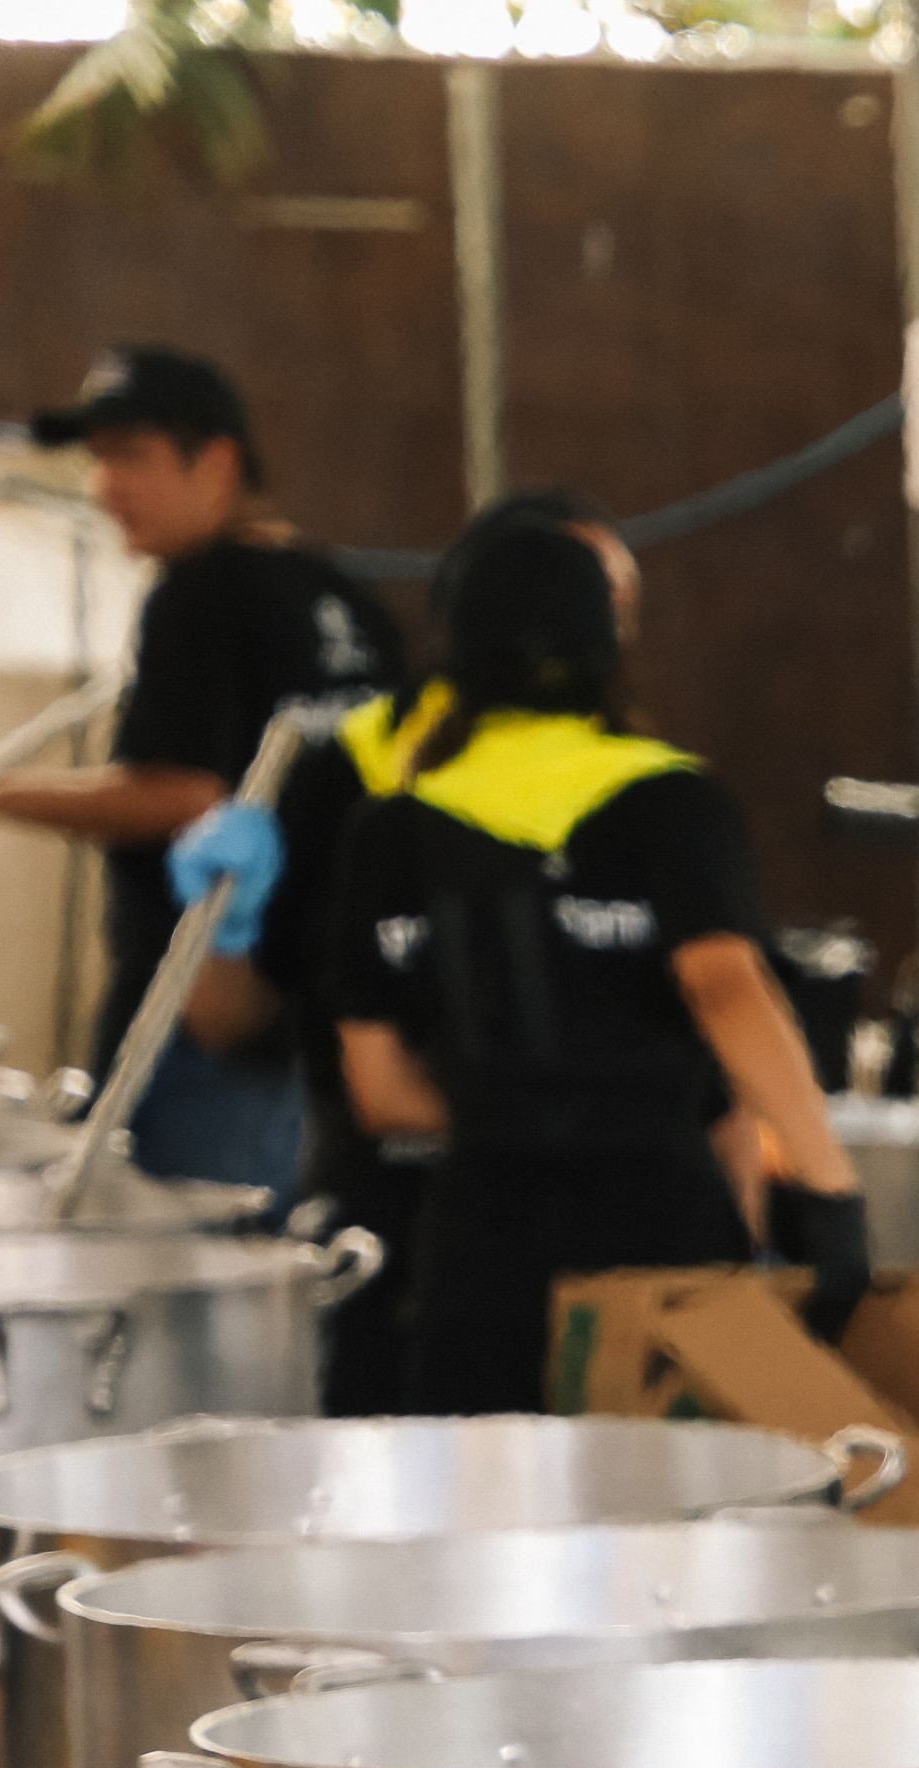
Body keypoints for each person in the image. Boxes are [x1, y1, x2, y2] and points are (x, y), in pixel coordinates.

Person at [327, 521, 863, 1411]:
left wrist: (520, 1114)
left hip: (478, 1245)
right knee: (666, 1521)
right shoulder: (671, 802)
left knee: (487, 1518)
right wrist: (830, 1192)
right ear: (609, 647)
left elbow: (378, 1091)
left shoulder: (386, 831)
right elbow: (727, 991)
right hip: (659, 1230)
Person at [184, 489, 632, 1413]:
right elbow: (229, 1020)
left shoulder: (640, 794)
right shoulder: (349, 776)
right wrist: (217, 929)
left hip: (605, 1234)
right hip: (393, 1225)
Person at [0, 347, 396, 1193]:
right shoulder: (343, 598)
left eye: (131, 458)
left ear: (216, 462)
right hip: (325, 1024)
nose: (106, 487)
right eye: (99, 460)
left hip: (201, 1016)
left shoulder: (199, 594)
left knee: (177, 1278)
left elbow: (187, 794)